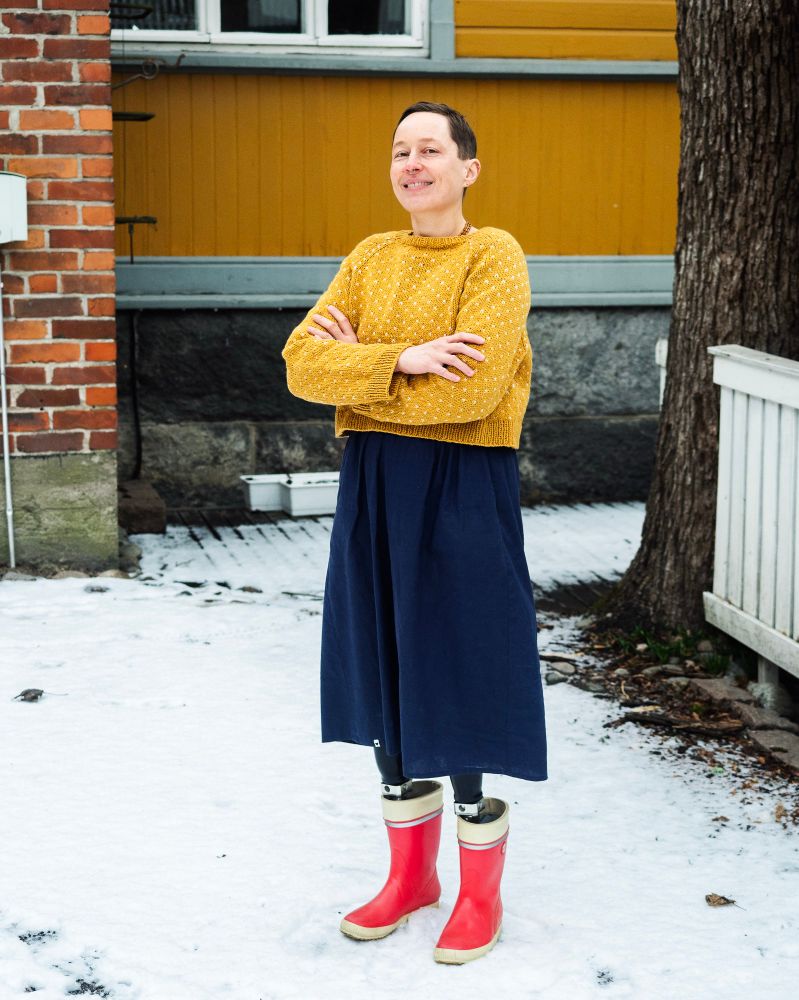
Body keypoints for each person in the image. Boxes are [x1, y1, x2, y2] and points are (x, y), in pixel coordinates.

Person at [281, 100, 547, 965]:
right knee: (383, 657)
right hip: (372, 485)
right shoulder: (368, 257)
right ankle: (411, 879)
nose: (412, 163)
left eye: (430, 149)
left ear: (467, 168)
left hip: (464, 484)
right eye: (400, 150)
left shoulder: (492, 255)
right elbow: (298, 363)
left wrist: (357, 375)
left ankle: (478, 888)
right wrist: (400, 358)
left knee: (458, 657)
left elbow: (472, 392)